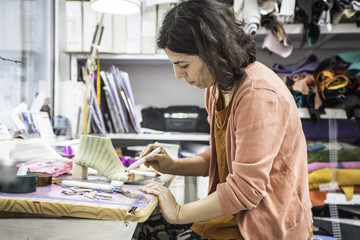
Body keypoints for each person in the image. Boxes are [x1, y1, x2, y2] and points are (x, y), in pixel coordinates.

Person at [138, 0, 313, 239]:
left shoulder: (258, 94)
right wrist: (173, 165)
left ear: (211, 51)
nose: (178, 74)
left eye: (183, 65)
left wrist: (178, 212)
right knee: (145, 226)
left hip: (266, 227)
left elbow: (245, 189)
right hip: (238, 216)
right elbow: (223, 156)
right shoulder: (217, 87)